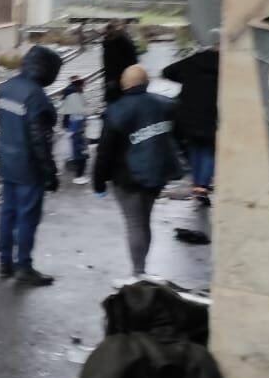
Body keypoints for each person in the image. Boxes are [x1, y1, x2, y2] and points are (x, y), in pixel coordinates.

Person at [93, 65, 184, 281]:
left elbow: (105, 150)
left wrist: (98, 182)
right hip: (156, 175)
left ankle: (138, 273)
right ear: (146, 82)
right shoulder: (165, 105)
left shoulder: (116, 111)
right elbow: (177, 135)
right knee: (144, 222)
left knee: (135, 223)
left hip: (128, 178)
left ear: (125, 84)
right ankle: (142, 269)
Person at [0, 45, 64, 286]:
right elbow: (40, 141)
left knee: (8, 213)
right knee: (27, 217)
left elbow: (1, 125)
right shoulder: (36, 97)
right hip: (28, 167)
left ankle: (5, 262)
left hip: (7, 161)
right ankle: (23, 265)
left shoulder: (7, 88)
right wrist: (50, 173)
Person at [162, 47, 219, 203]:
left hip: (187, 111)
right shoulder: (223, 65)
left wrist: (186, 78)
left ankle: (197, 184)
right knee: (208, 150)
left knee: (194, 148)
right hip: (210, 111)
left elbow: (167, 71)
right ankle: (202, 186)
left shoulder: (193, 60)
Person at [59, 75, 91, 184]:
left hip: (71, 126)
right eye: (84, 84)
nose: (85, 86)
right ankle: (78, 176)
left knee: (74, 149)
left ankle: (75, 169)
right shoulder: (75, 96)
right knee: (80, 151)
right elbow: (78, 115)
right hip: (75, 129)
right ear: (80, 85)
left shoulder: (70, 92)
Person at [101, 21, 139, 108]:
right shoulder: (107, 43)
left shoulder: (124, 43)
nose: (106, 35)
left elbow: (132, 62)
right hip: (113, 79)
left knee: (120, 101)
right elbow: (107, 64)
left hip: (123, 78)